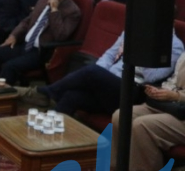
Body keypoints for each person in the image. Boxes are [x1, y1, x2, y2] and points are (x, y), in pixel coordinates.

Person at [25, 29, 183, 116]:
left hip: (132, 91)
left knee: (91, 72)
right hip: (109, 83)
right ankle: (48, 138)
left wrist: (139, 51)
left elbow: (153, 77)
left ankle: (46, 93)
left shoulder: (174, 46)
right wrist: (101, 75)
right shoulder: (133, 30)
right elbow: (109, 55)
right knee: (72, 96)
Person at [111, 54, 185, 171]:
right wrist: (159, 91)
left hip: (181, 113)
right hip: (171, 106)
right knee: (121, 116)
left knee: (142, 125)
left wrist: (176, 96)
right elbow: (173, 80)